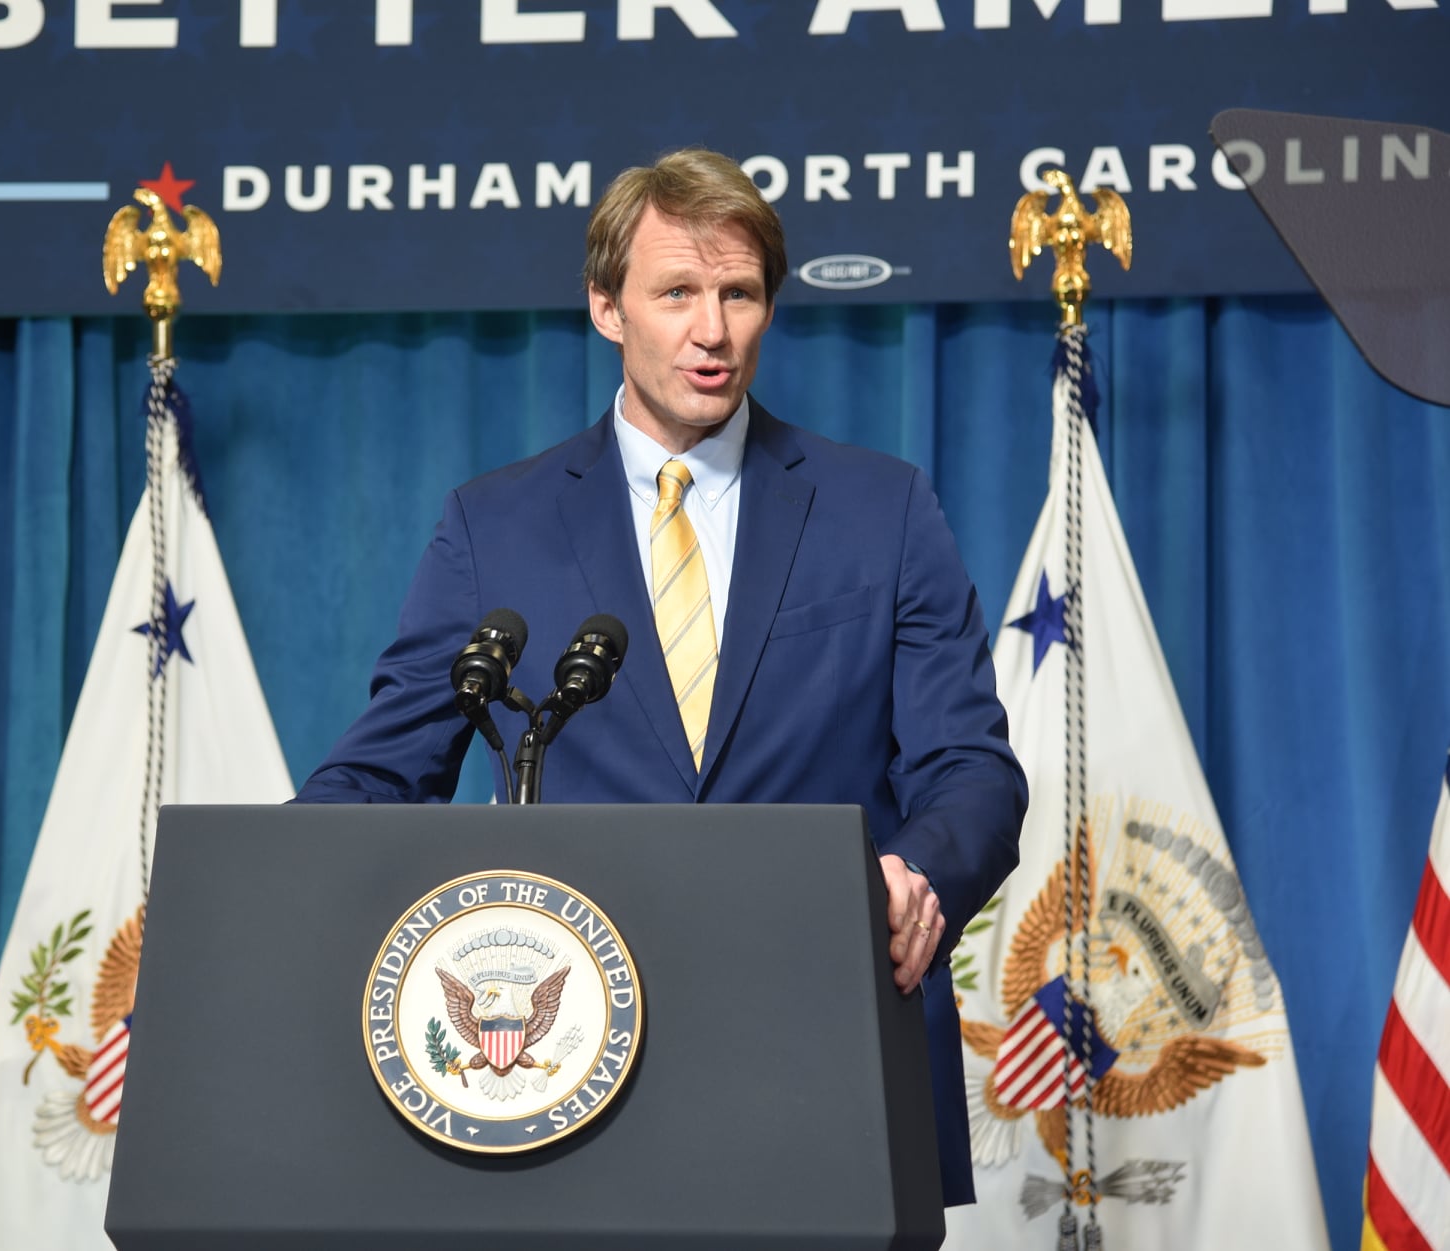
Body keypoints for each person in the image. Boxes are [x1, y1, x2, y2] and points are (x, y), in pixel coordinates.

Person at [294, 147, 1026, 1205]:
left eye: (739, 294)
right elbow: (381, 773)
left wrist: (919, 871)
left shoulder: (884, 510)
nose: (712, 332)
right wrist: (265, 872)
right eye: (676, 292)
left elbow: (974, 773)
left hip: (828, 1065)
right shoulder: (493, 527)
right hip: (571, 1085)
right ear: (606, 308)